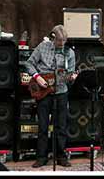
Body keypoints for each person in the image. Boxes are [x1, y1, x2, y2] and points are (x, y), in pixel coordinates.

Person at [24, 25, 77, 168]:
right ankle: (41, 157)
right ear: (53, 37)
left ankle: (61, 156)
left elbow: (71, 72)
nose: (62, 43)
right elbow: (29, 63)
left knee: (61, 126)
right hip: (43, 91)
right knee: (43, 126)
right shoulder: (42, 47)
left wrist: (72, 77)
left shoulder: (69, 53)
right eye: (59, 40)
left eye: (64, 40)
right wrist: (37, 77)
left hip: (61, 91)